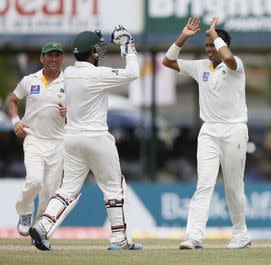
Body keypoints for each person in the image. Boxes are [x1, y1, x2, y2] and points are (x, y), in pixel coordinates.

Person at [29, 26, 142, 251]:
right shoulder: (98, 75)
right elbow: (132, 73)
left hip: (71, 138)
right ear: (91, 52)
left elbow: (87, 62)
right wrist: (128, 47)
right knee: (113, 186)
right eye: (97, 50)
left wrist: (91, 44)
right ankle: (119, 237)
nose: (100, 53)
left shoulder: (69, 73)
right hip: (97, 137)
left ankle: (42, 225)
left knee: (68, 189)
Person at [162, 17, 251, 249]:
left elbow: (228, 58)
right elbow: (167, 61)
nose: (210, 49)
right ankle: (194, 236)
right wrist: (183, 36)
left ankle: (241, 234)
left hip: (235, 130)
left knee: (233, 186)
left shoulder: (235, 66)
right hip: (209, 131)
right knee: (204, 184)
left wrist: (215, 35)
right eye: (207, 45)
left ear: (223, 44)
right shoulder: (200, 66)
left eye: (213, 45)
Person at [6, 42, 66, 237]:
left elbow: (81, 111)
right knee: (34, 181)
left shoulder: (69, 83)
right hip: (34, 139)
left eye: (57, 55)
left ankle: (40, 228)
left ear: (61, 58)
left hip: (58, 143)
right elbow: (12, 100)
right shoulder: (29, 80)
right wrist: (16, 121)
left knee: (50, 191)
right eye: (50, 55)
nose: (53, 59)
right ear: (42, 58)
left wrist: (70, 112)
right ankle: (25, 211)